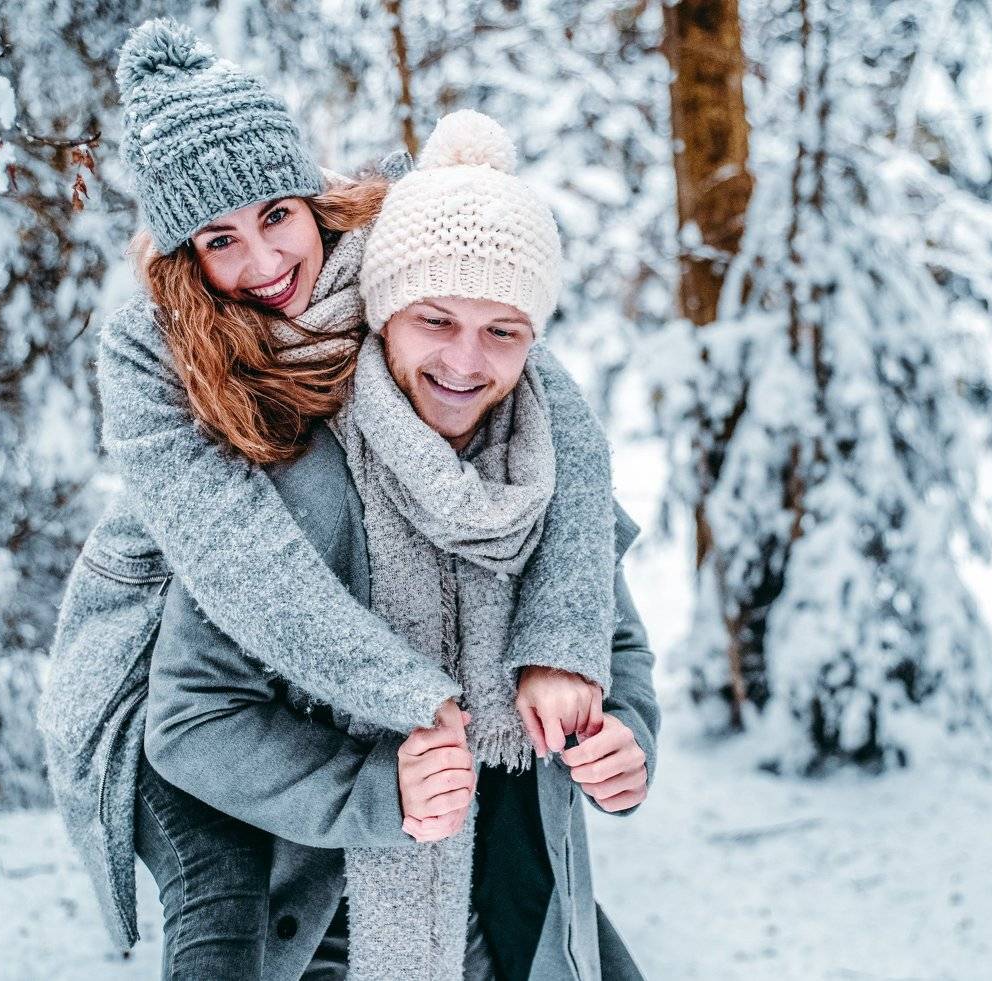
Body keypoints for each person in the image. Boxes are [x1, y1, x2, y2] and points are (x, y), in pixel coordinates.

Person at [35, 18, 621, 974]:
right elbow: (240, 557)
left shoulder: (395, 261)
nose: (263, 263)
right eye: (219, 239)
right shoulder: (154, 347)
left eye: (276, 214)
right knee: (222, 903)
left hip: (318, 651)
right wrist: (412, 694)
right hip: (170, 648)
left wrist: (560, 646)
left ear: (310, 196)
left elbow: (557, 415)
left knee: (521, 890)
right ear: (184, 256)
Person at [144, 107, 658, 980]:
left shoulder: (551, 471)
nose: (465, 362)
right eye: (435, 320)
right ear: (383, 313)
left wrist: (624, 736)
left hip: (520, 916)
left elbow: (616, 645)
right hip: (332, 936)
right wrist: (372, 787)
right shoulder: (289, 475)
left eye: (502, 330)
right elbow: (192, 719)